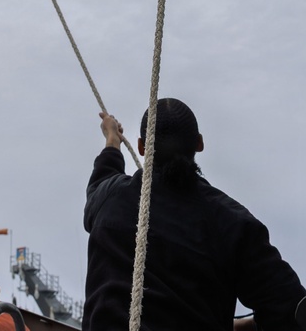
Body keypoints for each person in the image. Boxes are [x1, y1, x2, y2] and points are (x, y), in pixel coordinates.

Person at [82, 98, 305, 330]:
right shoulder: (232, 222)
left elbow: (102, 176)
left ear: (141, 147)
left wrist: (112, 139)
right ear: (199, 143)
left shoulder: (108, 197)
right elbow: (292, 309)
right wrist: (246, 326)